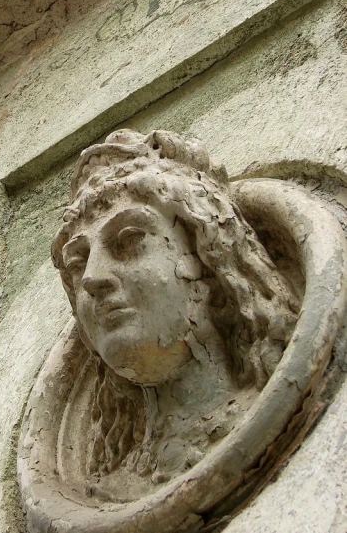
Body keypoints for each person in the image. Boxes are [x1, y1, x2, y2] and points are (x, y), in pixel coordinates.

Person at [52, 129, 297, 491]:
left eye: (129, 241)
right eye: (78, 262)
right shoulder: (109, 485)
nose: (91, 279)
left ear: (212, 266)